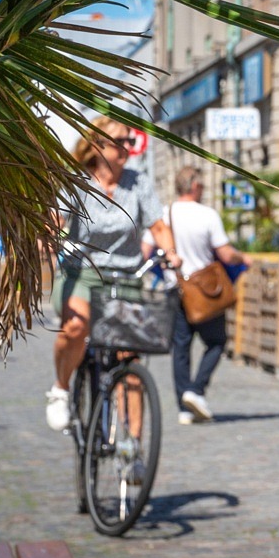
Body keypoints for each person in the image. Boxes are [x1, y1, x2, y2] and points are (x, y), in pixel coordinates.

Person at [46, 117, 181, 431]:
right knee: (76, 327)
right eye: (119, 141)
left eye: (129, 141)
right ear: (97, 146)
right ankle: (61, 389)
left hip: (126, 276)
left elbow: (158, 227)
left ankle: (131, 447)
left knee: (129, 359)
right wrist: (47, 234)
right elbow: (56, 219)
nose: (126, 147)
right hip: (83, 272)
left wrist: (172, 253)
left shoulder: (138, 181)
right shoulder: (77, 181)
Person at [164, 166, 251, 425]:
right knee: (216, 342)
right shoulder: (207, 215)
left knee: (181, 347)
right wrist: (243, 258)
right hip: (204, 291)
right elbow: (225, 254)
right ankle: (196, 389)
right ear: (194, 186)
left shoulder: (164, 214)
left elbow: (148, 246)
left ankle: (184, 407)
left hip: (175, 288)